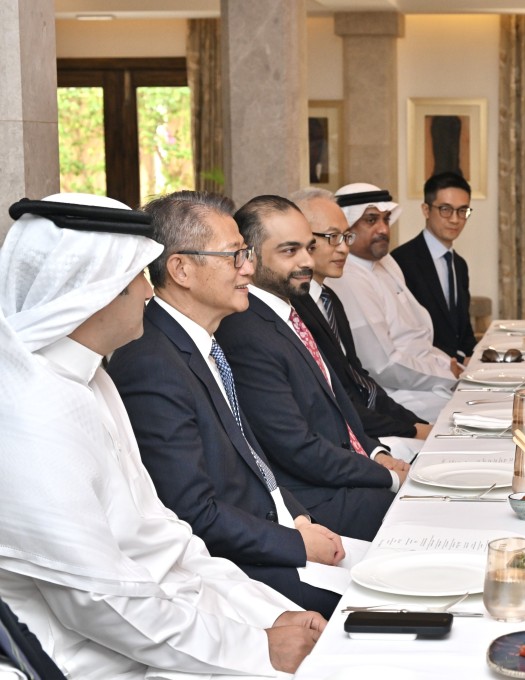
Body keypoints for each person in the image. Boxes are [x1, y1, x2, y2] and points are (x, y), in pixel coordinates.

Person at [0, 194, 324, 678]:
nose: (149, 293)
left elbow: (166, 539)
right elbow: (98, 605)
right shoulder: (29, 411)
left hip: (173, 626)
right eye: (136, 277)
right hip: (100, 660)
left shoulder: (90, 379)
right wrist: (257, 649)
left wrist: (267, 613)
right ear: (94, 291)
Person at [107, 190, 343, 618]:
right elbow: (192, 512)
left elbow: (253, 459)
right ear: (181, 268)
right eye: (235, 256)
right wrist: (295, 542)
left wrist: (299, 517)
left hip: (273, 533)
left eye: (247, 254)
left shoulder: (202, 340)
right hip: (231, 569)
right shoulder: (151, 361)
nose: (249, 268)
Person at [216, 195, 407, 541]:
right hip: (310, 499)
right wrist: (387, 478)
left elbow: (338, 398)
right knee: (420, 514)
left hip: (337, 473)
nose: (307, 261)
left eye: (308, 247)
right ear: (250, 257)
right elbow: (295, 447)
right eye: (290, 251)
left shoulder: (292, 305)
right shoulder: (245, 330)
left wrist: (376, 453)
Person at [289, 187, 430, 462]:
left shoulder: (329, 299)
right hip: (339, 442)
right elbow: (336, 398)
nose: (344, 247)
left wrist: (415, 424)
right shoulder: (296, 310)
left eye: (346, 237)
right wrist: (411, 429)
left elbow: (360, 379)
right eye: (332, 237)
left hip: (367, 422)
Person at [327, 183, 459, 422]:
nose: (383, 229)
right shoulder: (346, 276)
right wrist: (447, 375)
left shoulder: (386, 262)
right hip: (396, 392)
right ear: (347, 226)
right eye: (370, 220)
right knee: (469, 411)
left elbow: (416, 335)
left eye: (386, 219)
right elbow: (383, 367)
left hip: (428, 377)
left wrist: (446, 364)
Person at [391, 171, 477, 362]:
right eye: (446, 209)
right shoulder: (401, 261)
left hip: (460, 370)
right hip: (424, 370)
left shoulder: (459, 265)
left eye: (463, 211)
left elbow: (463, 331)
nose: (455, 219)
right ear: (426, 210)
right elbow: (403, 335)